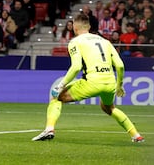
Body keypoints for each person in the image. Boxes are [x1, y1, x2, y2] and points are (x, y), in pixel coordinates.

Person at [32, 14, 144, 143]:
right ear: (89, 26)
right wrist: (119, 85)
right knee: (109, 108)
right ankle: (136, 135)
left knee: (56, 97)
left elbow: (76, 67)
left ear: (75, 26)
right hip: (109, 82)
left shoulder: (75, 41)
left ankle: (49, 129)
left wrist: (60, 85)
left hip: (92, 81)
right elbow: (120, 65)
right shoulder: (105, 41)